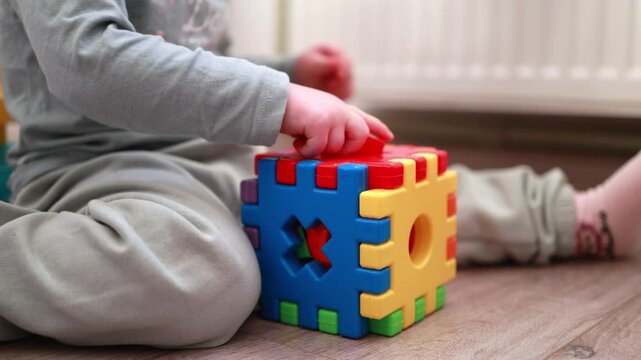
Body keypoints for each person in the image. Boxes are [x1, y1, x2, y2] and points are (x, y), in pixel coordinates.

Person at [0, 0, 639, 349]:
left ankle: (579, 218)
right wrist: (280, 101)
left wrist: (287, 68)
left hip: (211, 152)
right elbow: (91, 62)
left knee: (387, 187)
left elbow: (184, 62)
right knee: (205, 278)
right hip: (98, 167)